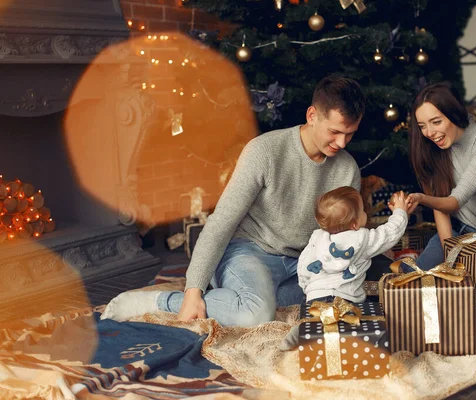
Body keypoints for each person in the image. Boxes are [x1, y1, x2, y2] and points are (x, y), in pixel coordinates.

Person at [101, 75, 366, 326]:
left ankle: (243, 298)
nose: (342, 143)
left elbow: (342, 237)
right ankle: (161, 301)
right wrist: (193, 290)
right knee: (256, 315)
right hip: (249, 251)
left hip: (302, 262)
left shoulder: (347, 169)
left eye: (351, 134)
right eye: (335, 131)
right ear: (312, 116)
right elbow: (222, 220)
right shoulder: (264, 151)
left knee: (329, 300)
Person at [404, 82, 476, 271]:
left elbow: (454, 202)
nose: (429, 133)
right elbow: (440, 206)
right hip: (454, 233)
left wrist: (421, 198)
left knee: (473, 295)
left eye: (436, 122)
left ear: (453, 114)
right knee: (410, 281)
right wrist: (450, 256)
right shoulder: (431, 148)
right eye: (422, 126)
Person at [298, 186, 409, 304]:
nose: (365, 212)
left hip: (314, 297)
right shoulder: (363, 239)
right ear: (355, 224)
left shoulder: (317, 238)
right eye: (362, 210)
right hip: (346, 299)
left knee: (319, 322)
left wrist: (307, 289)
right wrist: (400, 211)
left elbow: (303, 267)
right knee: (353, 320)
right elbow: (391, 232)